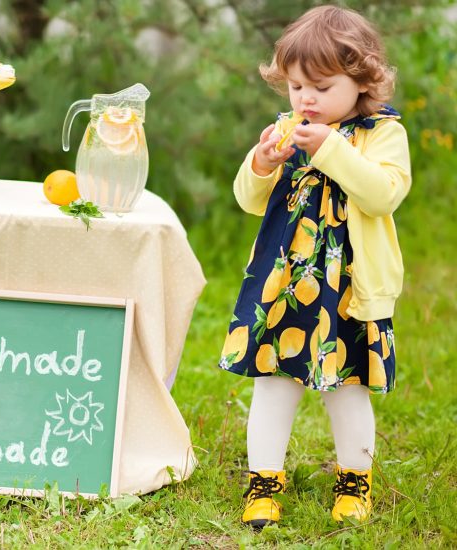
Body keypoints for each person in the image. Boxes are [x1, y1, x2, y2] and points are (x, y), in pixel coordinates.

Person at [217, 5, 411, 528]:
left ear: (362, 79)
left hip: (348, 289)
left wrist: (331, 150)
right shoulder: (293, 129)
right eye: (296, 86)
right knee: (273, 383)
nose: (306, 99)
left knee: (347, 389)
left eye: (321, 87)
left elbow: (383, 195)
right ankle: (263, 481)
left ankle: (354, 480)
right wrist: (261, 163)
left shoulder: (380, 133)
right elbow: (248, 200)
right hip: (284, 286)